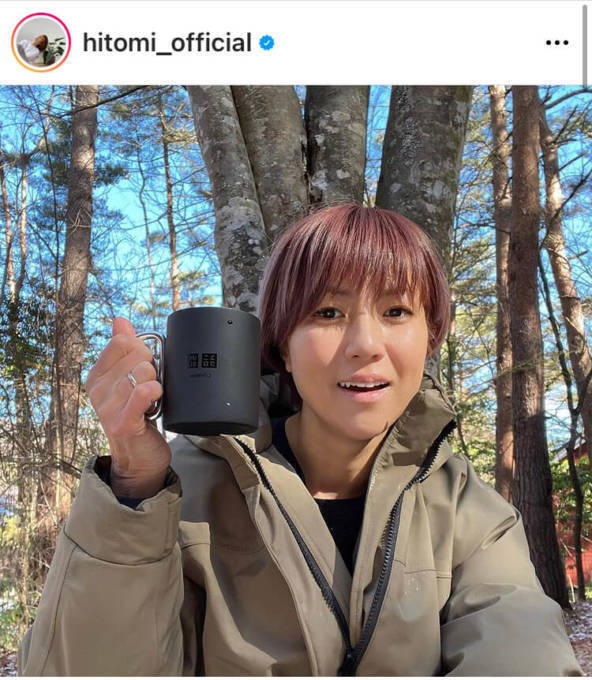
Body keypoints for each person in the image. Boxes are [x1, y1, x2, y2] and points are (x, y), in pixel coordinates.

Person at [18, 203, 581, 675]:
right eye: (328, 312)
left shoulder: (464, 507)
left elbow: (518, 647)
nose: (365, 344)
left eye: (396, 311)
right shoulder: (179, 495)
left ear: (430, 337)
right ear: (281, 345)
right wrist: (132, 490)